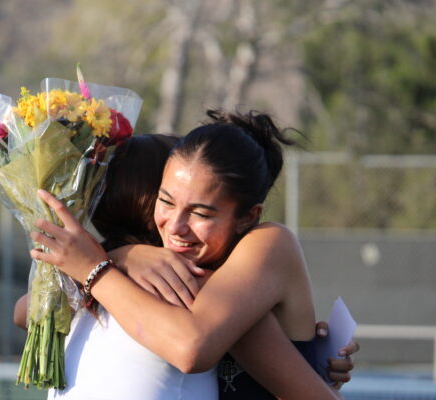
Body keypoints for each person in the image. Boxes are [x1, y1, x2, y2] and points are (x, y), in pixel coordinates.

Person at [28, 113, 357, 399]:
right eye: (166, 202)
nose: (176, 226)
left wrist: (97, 268)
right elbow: (25, 310)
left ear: (248, 217)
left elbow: (191, 348)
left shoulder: (269, 244)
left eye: (201, 213)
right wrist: (122, 256)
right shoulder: (186, 274)